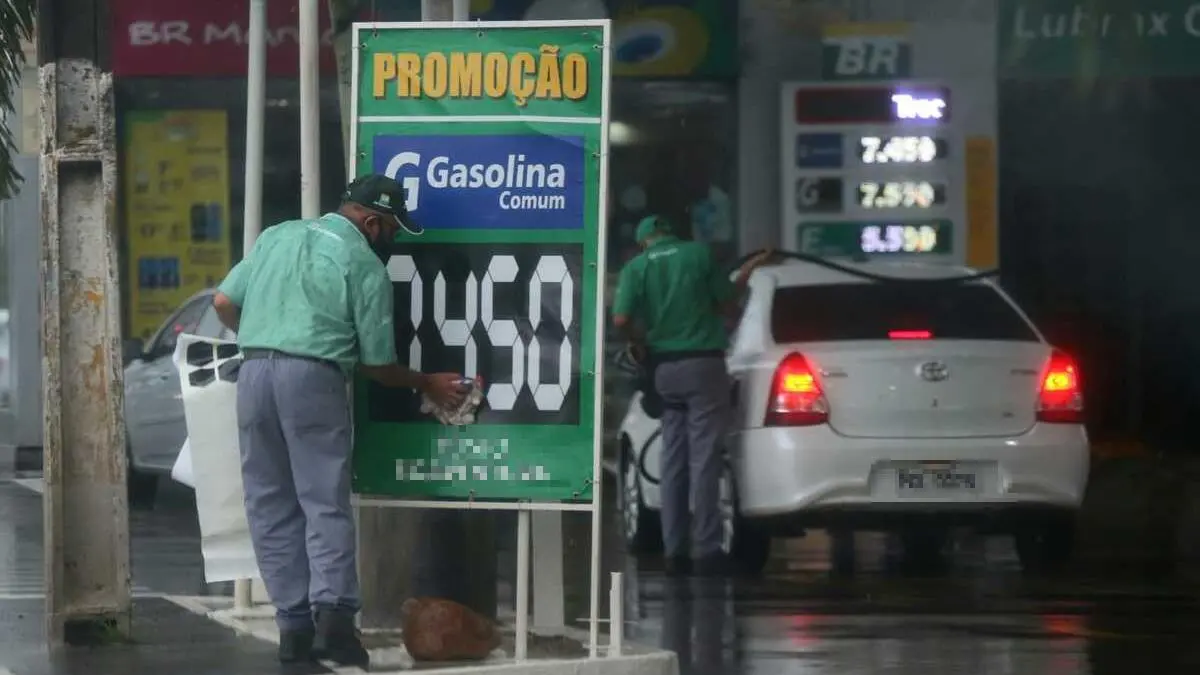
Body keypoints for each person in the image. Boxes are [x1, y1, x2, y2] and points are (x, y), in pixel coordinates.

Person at [212, 174, 467, 667]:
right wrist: (425, 382)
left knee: (268, 503)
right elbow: (377, 364)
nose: (392, 240)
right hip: (312, 377)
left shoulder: (276, 235)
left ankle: (293, 630)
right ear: (371, 223)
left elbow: (223, 302)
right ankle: (334, 623)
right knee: (322, 501)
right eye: (392, 230)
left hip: (254, 374)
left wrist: (264, 334)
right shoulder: (363, 263)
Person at [611, 215, 772, 576]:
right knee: (704, 459)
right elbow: (727, 303)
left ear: (644, 241)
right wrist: (748, 270)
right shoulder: (698, 255)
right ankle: (706, 548)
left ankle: (675, 549)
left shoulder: (637, 267)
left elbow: (621, 319)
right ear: (670, 233)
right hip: (704, 367)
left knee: (673, 458)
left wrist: (639, 342)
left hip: (664, 371)